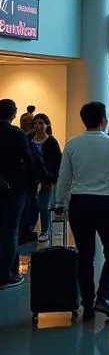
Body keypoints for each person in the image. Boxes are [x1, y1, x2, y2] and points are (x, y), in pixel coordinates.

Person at [53, 101, 109, 321]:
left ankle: (87, 303)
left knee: (85, 255)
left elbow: (64, 178)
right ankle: (103, 296)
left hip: (80, 203)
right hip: (108, 203)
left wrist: (60, 203)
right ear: (103, 120)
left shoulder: (72, 144)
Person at [0, 99, 33, 288]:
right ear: (13, 114)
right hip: (15, 189)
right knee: (11, 231)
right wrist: (33, 183)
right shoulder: (17, 135)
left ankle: (7, 271)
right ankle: (7, 275)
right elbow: (28, 161)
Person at [27, 113, 62, 244]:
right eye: (36, 123)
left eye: (41, 123)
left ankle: (45, 230)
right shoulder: (28, 139)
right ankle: (29, 229)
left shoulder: (52, 142)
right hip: (30, 179)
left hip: (46, 180)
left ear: (47, 125)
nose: (38, 126)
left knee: (44, 205)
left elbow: (58, 162)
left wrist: (52, 179)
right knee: (31, 205)